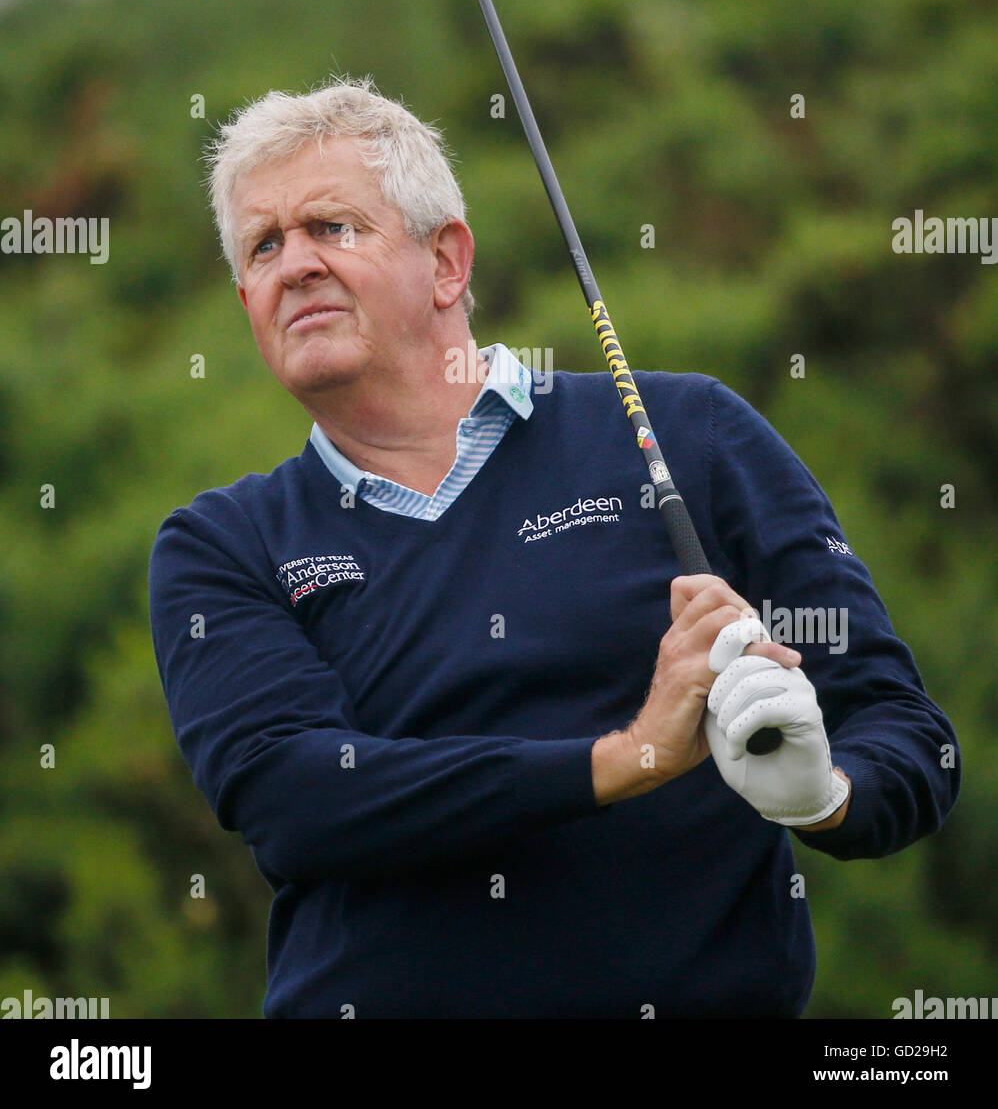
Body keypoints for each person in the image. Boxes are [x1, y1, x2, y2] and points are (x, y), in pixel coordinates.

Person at [149, 76, 959, 1019]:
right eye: (264, 245)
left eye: (333, 228)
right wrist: (628, 757)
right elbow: (297, 801)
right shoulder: (223, 544)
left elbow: (909, 733)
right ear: (247, 298)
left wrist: (823, 793)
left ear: (447, 262)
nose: (295, 265)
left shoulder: (691, 433)